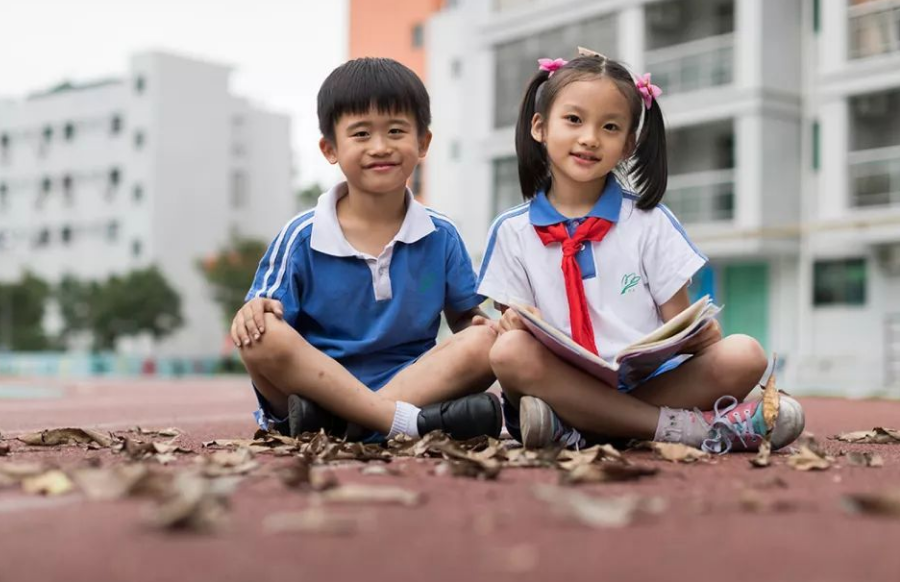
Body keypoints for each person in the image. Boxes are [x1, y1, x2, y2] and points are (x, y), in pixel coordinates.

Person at [478, 51, 804, 453]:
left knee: (744, 354)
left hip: (648, 384)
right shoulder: (512, 231)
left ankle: (581, 430)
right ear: (540, 127)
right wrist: (513, 323)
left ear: (629, 143)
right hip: (559, 385)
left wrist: (695, 337)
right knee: (509, 351)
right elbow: (515, 325)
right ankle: (693, 429)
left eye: (610, 126)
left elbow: (679, 327)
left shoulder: (651, 222)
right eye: (574, 120)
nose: (590, 138)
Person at [233, 57, 501, 442]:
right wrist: (253, 310)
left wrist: (477, 324)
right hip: (313, 387)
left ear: (423, 142)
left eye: (395, 131)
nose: (380, 147)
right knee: (259, 336)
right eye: (360, 134)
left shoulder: (440, 235)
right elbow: (266, 314)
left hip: (412, 383)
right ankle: (395, 422)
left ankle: (346, 425)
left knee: (486, 340)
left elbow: (465, 318)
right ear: (330, 148)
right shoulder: (301, 235)